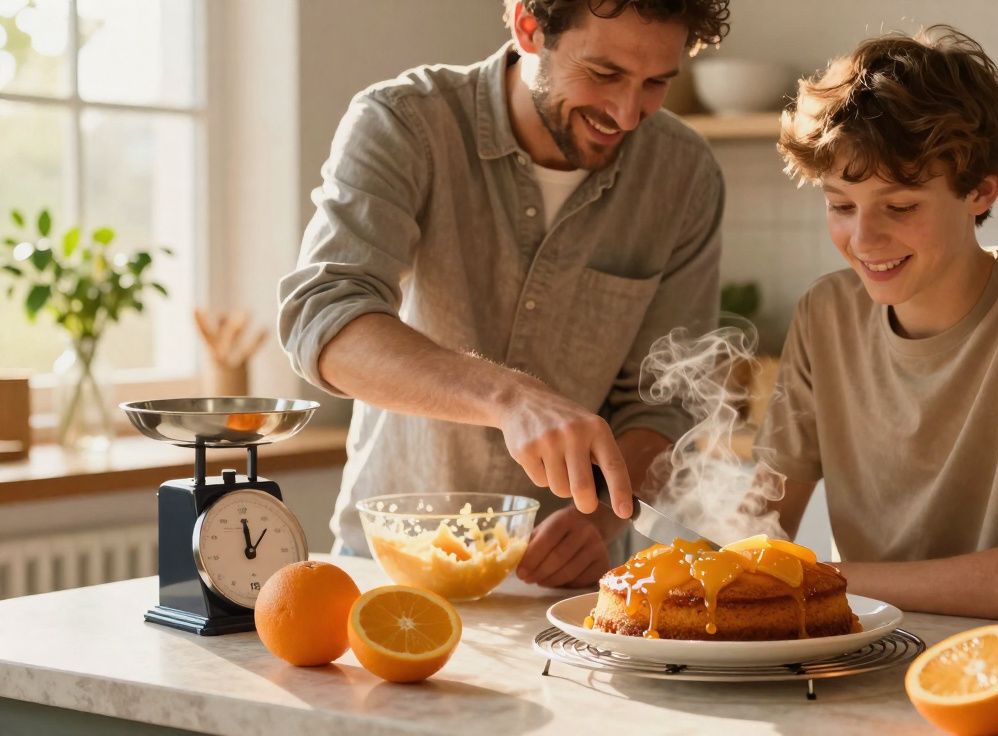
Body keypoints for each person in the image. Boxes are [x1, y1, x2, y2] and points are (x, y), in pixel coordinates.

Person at [278, 0, 730, 588]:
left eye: (655, 84)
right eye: (604, 74)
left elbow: (664, 404)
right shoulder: (404, 122)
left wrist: (599, 520)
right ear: (528, 27)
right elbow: (324, 319)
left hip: (566, 584)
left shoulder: (684, 175)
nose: (625, 113)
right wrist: (509, 398)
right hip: (390, 566)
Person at [758, 26, 998, 623]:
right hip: (862, 648)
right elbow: (757, 530)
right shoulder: (823, 314)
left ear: (982, 190)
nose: (864, 239)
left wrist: (820, 579)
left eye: (901, 206)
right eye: (840, 205)